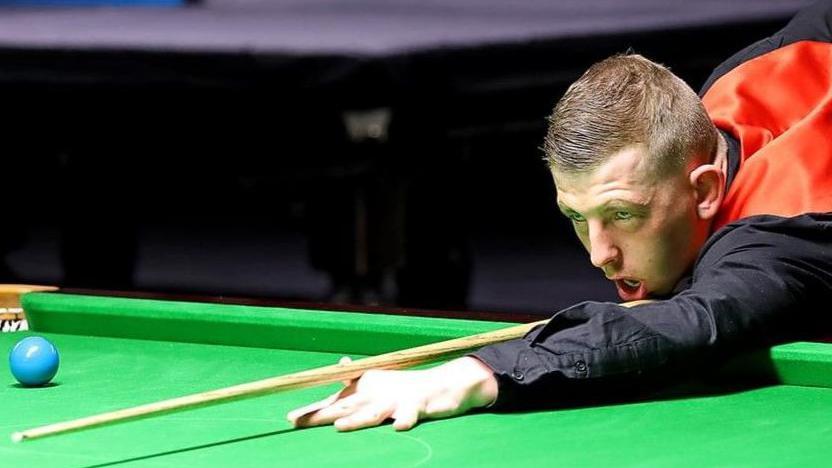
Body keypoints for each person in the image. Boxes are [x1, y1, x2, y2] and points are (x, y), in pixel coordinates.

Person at [287, 0, 832, 432]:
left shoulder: (779, 236)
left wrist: (476, 374)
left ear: (707, 188)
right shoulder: (754, 77)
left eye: (622, 214)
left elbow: (697, 322)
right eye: (577, 216)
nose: (600, 254)